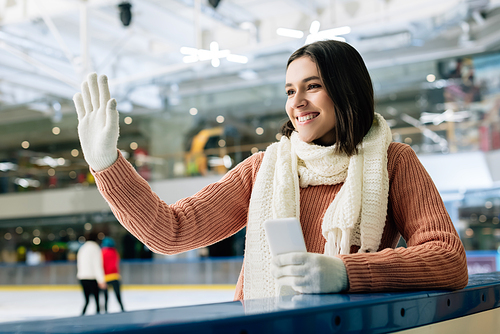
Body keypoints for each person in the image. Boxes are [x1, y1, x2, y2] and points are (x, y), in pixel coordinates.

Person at [72, 40, 468, 300]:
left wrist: (345, 272)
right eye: (289, 90)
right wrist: (106, 164)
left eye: (312, 86)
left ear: (345, 89)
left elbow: (447, 258)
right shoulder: (264, 168)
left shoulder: (393, 162)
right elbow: (171, 231)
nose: (297, 101)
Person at [76, 232, 106, 314]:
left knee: (87, 300)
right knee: (97, 301)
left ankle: (82, 316)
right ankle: (98, 317)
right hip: (92, 278)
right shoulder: (95, 248)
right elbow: (97, 265)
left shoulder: (82, 248)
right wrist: (101, 280)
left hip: (82, 277)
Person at [101, 237, 125, 312]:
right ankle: (122, 309)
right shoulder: (114, 252)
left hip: (105, 277)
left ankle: (105, 311)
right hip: (115, 276)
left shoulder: (102, 252)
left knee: (105, 297)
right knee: (118, 295)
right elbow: (116, 263)